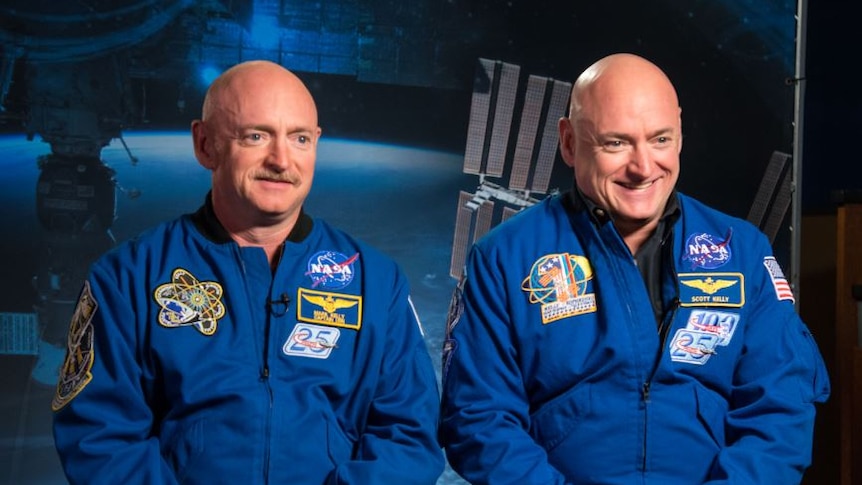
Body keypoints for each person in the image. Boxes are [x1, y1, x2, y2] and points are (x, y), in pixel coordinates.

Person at [439, 53, 830, 484]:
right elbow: (479, 420)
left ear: (680, 133)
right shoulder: (504, 259)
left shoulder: (743, 253)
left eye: (660, 139)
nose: (644, 168)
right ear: (569, 143)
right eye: (616, 143)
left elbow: (781, 407)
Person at [51, 60, 444, 484]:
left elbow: (409, 436)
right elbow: (100, 439)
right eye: (256, 136)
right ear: (205, 144)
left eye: (299, 138)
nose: (281, 159)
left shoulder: (377, 283)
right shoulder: (126, 279)